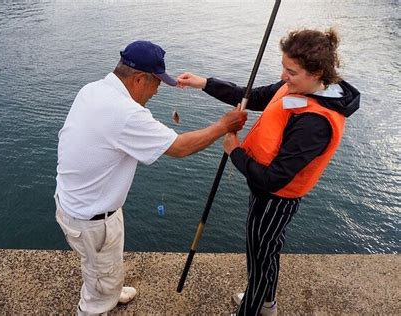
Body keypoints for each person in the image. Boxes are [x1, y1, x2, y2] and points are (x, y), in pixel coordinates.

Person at [54, 40, 247, 315]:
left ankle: (110, 285)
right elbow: (180, 147)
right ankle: (99, 301)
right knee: (98, 286)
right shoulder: (125, 113)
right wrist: (223, 125)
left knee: (102, 263)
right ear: (139, 79)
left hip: (75, 203)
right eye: (156, 83)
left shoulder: (93, 90)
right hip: (92, 219)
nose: (157, 91)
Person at [177, 28, 360, 315]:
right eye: (284, 68)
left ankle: (252, 309)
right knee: (263, 250)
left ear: (317, 72)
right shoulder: (297, 87)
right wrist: (204, 83)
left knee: (261, 257)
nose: (284, 76)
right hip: (263, 190)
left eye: (291, 71)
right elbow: (249, 95)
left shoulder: (316, 124)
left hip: (276, 198)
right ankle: (267, 303)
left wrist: (234, 151)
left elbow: (274, 178)